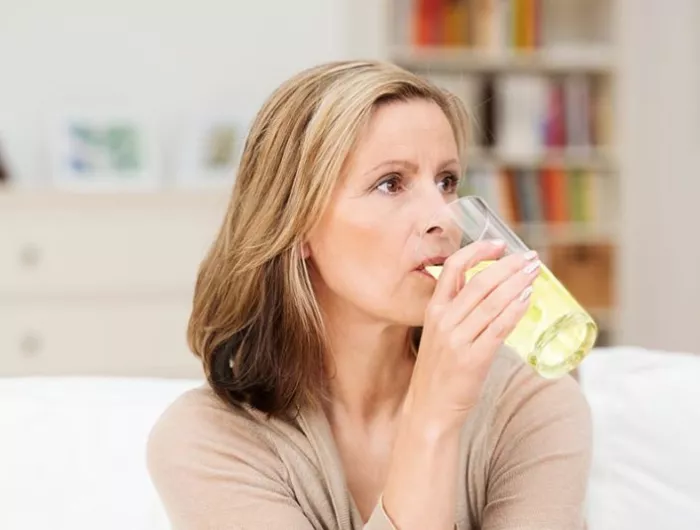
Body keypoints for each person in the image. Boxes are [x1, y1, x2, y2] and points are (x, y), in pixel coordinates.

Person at [147, 60, 592, 530]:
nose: (441, 216)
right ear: (296, 225)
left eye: (446, 181)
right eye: (390, 183)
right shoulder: (206, 442)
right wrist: (432, 417)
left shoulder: (529, 403)